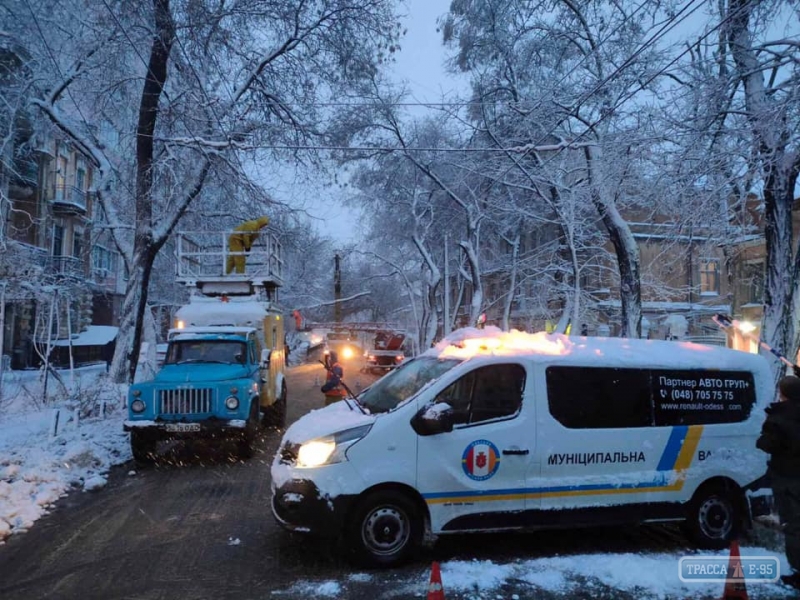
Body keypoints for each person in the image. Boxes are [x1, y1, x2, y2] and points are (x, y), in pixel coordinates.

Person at [756, 375, 800, 590]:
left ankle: (798, 572)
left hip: (788, 479)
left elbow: (766, 444)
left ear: (782, 393)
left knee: (794, 526)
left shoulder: (779, 418)